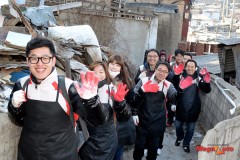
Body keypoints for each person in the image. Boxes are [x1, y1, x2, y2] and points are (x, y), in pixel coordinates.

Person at [7, 37, 108, 160]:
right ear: (28, 61)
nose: (39, 63)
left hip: (62, 154)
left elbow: (97, 122)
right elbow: (18, 121)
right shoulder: (21, 84)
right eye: (34, 58)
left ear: (53, 60)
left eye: (45, 58)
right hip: (28, 153)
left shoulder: (68, 87)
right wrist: (14, 107)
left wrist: (91, 101)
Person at [83, 61, 131, 160]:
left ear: (106, 73)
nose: (98, 75)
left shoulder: (112, 88)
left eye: (101, 72)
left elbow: (123, 117)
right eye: (94, 72)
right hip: (87, 138)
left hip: (107, 139)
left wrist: (121, 103)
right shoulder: (83, 89)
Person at [132, 61, 177, 160]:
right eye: (159, 70)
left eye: (165, 72)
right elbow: (134, 99)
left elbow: (175, 97)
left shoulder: (168, 85)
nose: (161, 73)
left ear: (167, 74)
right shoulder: (143, 81)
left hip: (158, 121)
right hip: (142, 120)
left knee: (153, 148)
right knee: (139, 146)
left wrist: (180, 88)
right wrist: (142, 91)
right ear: (155, 69)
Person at [172, 59, 211, 153]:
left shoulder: (198, 78)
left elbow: (206, 90)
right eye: (188, 66)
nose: (190, 68)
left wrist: (206, 82)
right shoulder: (181, 76)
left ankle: (186, 144)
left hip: (193, 108)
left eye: (192, 67)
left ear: (195, 68)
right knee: (178, 125)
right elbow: (173, 88)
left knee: (190, 128)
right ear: (185, 67)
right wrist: (176, 75)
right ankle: (180, 137)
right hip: (181, 106)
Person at [107, 54, 136, 160]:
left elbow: (132, 103)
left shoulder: (126, 82)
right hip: (105, 122)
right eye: (112, 64)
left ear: (121, 68)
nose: (114, 67)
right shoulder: (102, 79)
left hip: (120, 124)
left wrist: (121, 101)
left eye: (117, 65)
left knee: (117, 154)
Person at [166, 49, 185, 127]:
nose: (179, 58)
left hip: (182, 88)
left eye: (181, 56)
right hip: (172, 86)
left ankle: (179, 120)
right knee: (170, 103)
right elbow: (168, 75)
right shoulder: (171, 65)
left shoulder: (186, 66)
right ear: (175, 56)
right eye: (178, 56)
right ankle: (170, 120)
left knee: (180, 105)